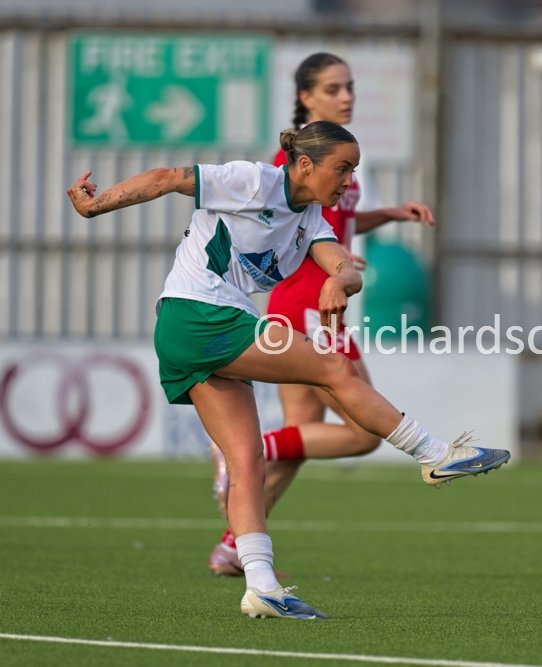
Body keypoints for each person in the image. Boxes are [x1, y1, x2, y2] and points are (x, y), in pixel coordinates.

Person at [67, 121, 510, 620]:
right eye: (341, 169)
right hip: (200, 314)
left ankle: (260, 585)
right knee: (334, 369)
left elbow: (342, 264)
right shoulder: (255, 181)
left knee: (249, 462)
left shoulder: (313, 220)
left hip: (199, 325)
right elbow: (168, 176)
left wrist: (339, 282)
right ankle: (433, 454)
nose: (348, 181)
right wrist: (93, 205)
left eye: (353, 171)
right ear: (304, 164)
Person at [207, 52, 443, 577]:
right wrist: (332, 266)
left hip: (315, 300)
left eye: (350, 87)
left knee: (302, 434)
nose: (347, 96)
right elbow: (289, 228)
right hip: (311, 303)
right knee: (362, 431)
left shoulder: (338, 155)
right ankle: (244, 448)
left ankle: (232, 546)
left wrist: (389, 214)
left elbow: (336, 221)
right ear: (306, 97)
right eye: (333, 88)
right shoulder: (300, 160)